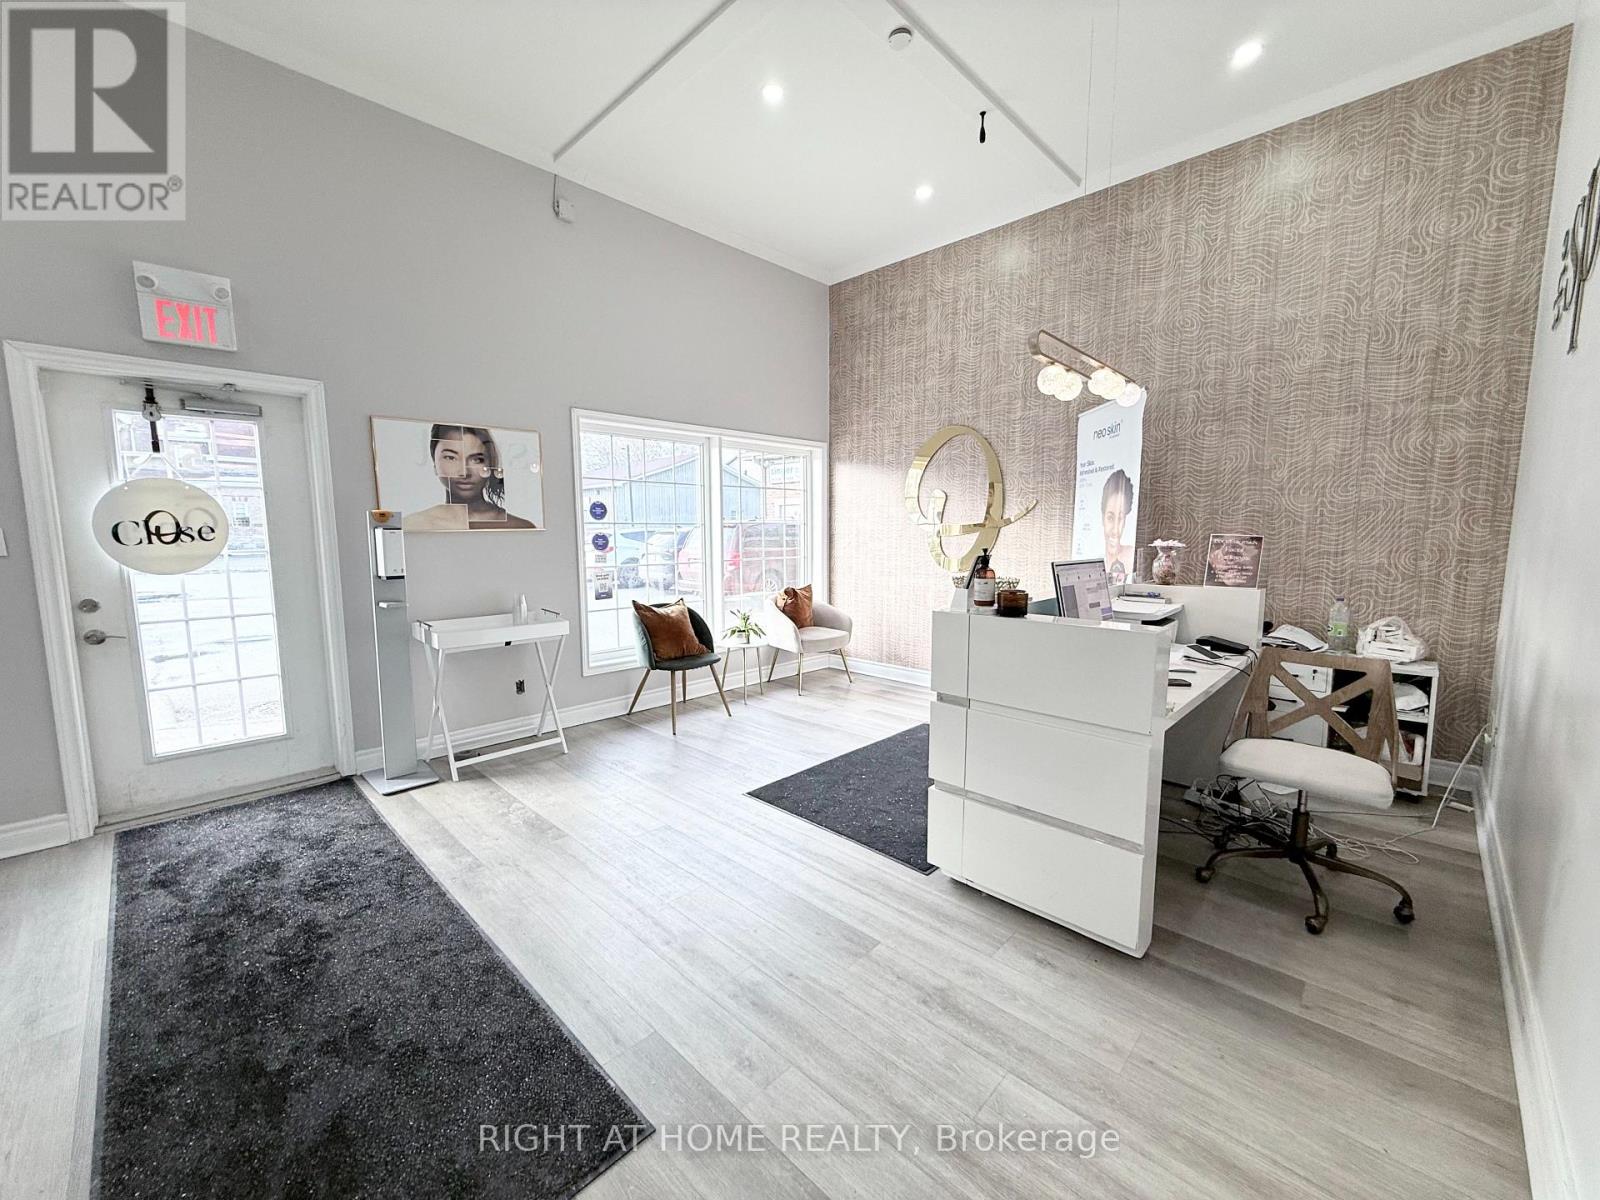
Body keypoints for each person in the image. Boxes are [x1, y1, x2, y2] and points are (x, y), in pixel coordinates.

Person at [403, 424, 535, 531]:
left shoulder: (520, 526)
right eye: (451, 458)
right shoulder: (413, 524)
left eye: (476, 460)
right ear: (434, 463)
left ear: (490, 464)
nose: (464, 472)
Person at [1101, 469, 1135, 585]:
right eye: (1110, 518)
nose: (1115, 530)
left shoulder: (1131, 557)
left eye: (1120, 518)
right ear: (1102, 518)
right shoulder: (1091, 562)